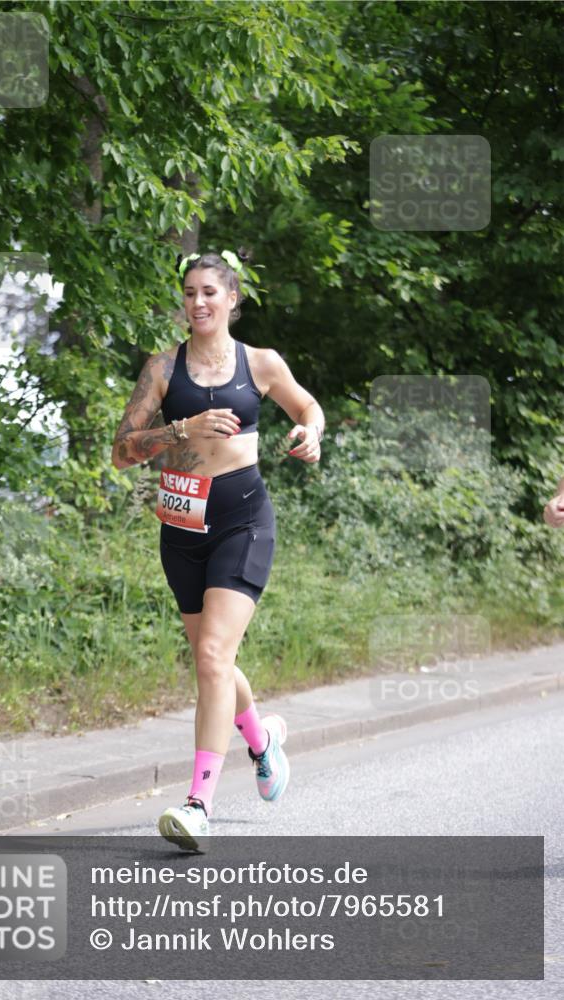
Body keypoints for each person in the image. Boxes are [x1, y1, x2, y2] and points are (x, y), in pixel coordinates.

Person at [111, 248, 324, 852]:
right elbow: (121, 451)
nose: (197, 302)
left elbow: (307, 406)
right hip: (180, 529)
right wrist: (183, 431)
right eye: (188, 293)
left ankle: (198, 803)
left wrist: (310, 431)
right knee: (215, 663)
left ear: (232, 298)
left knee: (210, 655)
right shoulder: (162, 370)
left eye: (209, 292)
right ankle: (262, 740)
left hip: (242, 521)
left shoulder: (259, 363)